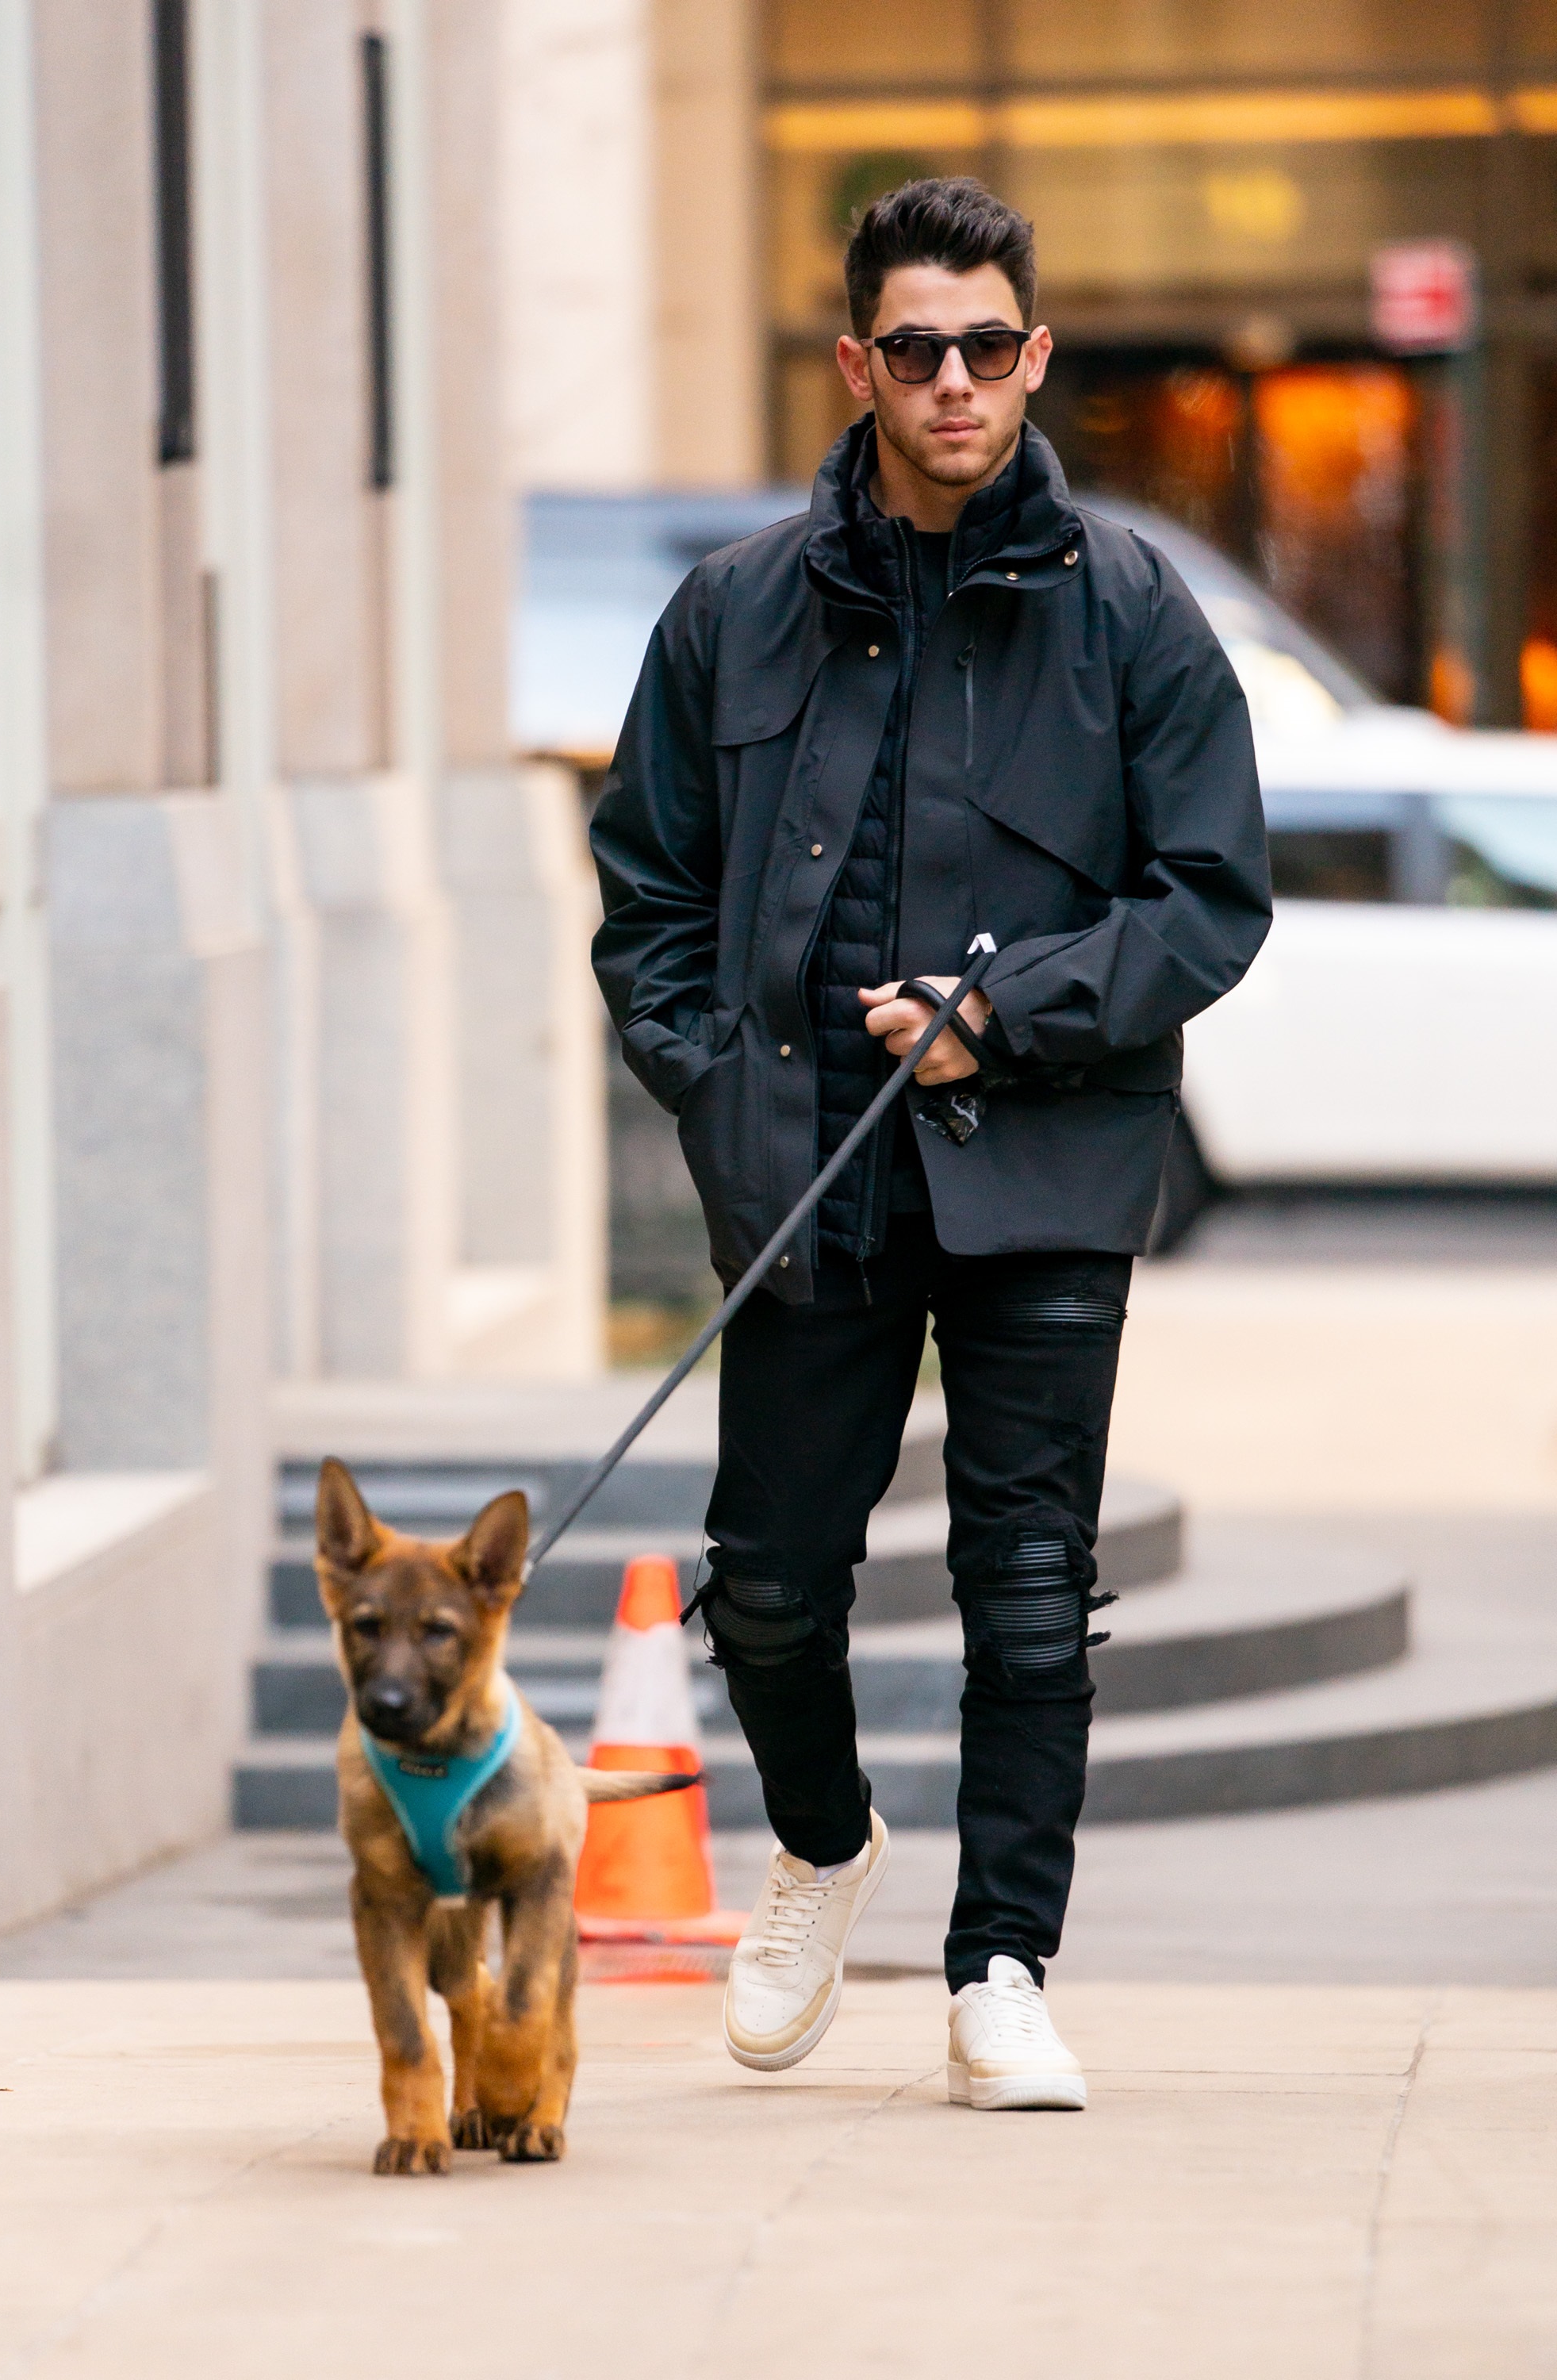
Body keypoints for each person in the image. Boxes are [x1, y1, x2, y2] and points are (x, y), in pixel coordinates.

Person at [590, 178, 1271, 2109]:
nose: (954, 380)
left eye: (987, 346)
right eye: (916, 349)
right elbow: (644, 888)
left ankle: (999, 1970)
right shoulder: (731, 612)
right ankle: (820, 1844)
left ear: (1035, 356)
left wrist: (1007, 1018)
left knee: (1029, 1583)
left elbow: (1210, 900)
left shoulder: (1132, 610)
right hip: (806, 1165)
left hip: (1045, 1161)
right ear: (857, 364)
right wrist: (709, 1074)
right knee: (774, 1584)